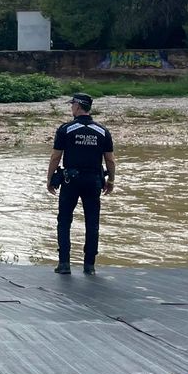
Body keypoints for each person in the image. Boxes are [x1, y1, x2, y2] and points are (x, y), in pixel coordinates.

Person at [46, 93, 115, 275]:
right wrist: (111, 180)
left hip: (71, 181)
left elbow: (55, 156)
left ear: (77, 106)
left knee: (64, 221)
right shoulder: (102, 131)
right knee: (92, 223)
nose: (71, 108)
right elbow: (110, 160)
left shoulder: (66, 129)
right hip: (93, 181)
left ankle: (64, 264)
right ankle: (89, 266)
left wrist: (49, 178)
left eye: (72, 105)